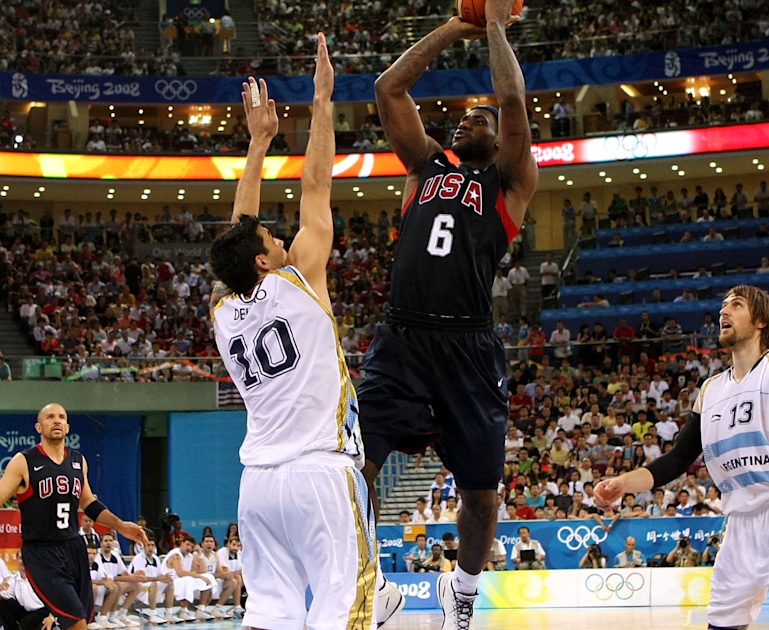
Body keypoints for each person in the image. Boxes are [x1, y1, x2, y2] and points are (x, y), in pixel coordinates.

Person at [208, 38, 400, 630]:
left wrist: (258, 144)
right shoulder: (301, 280)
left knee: (271, 614)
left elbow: (237, 234)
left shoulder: (222, 310)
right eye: (273, 238)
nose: (280, 237)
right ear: (264, 261)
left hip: (258, 487)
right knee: (345, 608)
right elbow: (316, 185)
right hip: (319, 472)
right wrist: (322, 100)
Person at [359, 2, 539, 625]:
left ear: (500, 136)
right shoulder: (424, 164)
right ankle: (372, 583)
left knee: (482, 496)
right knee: (354, 470)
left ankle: (461, 591)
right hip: (402, 338)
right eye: (463, 117)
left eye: (479, 118)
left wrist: (493, 24)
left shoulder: (510, 182)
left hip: (469, 346)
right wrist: (455, 27)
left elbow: (511, 99)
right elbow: (388, 88)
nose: (468, 120)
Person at [595, 285, 769, 630]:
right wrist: (622, 484)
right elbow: (677, 460)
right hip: (739, 522)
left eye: (736, 305)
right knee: (723, 625)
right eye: (723, 305)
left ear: (761, 322)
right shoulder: (710, 391)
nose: (724, 311)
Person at [0, 404, 148, 630]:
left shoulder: (78, 461)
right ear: (38, 427)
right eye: (50, 417)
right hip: (41, 552)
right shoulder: (24, 461)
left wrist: (120, 525)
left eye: (61, 417)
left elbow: (88, 503)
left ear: (67, 426)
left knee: (81, 621)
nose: (56, 420)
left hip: (73, 548)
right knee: (76, 622)